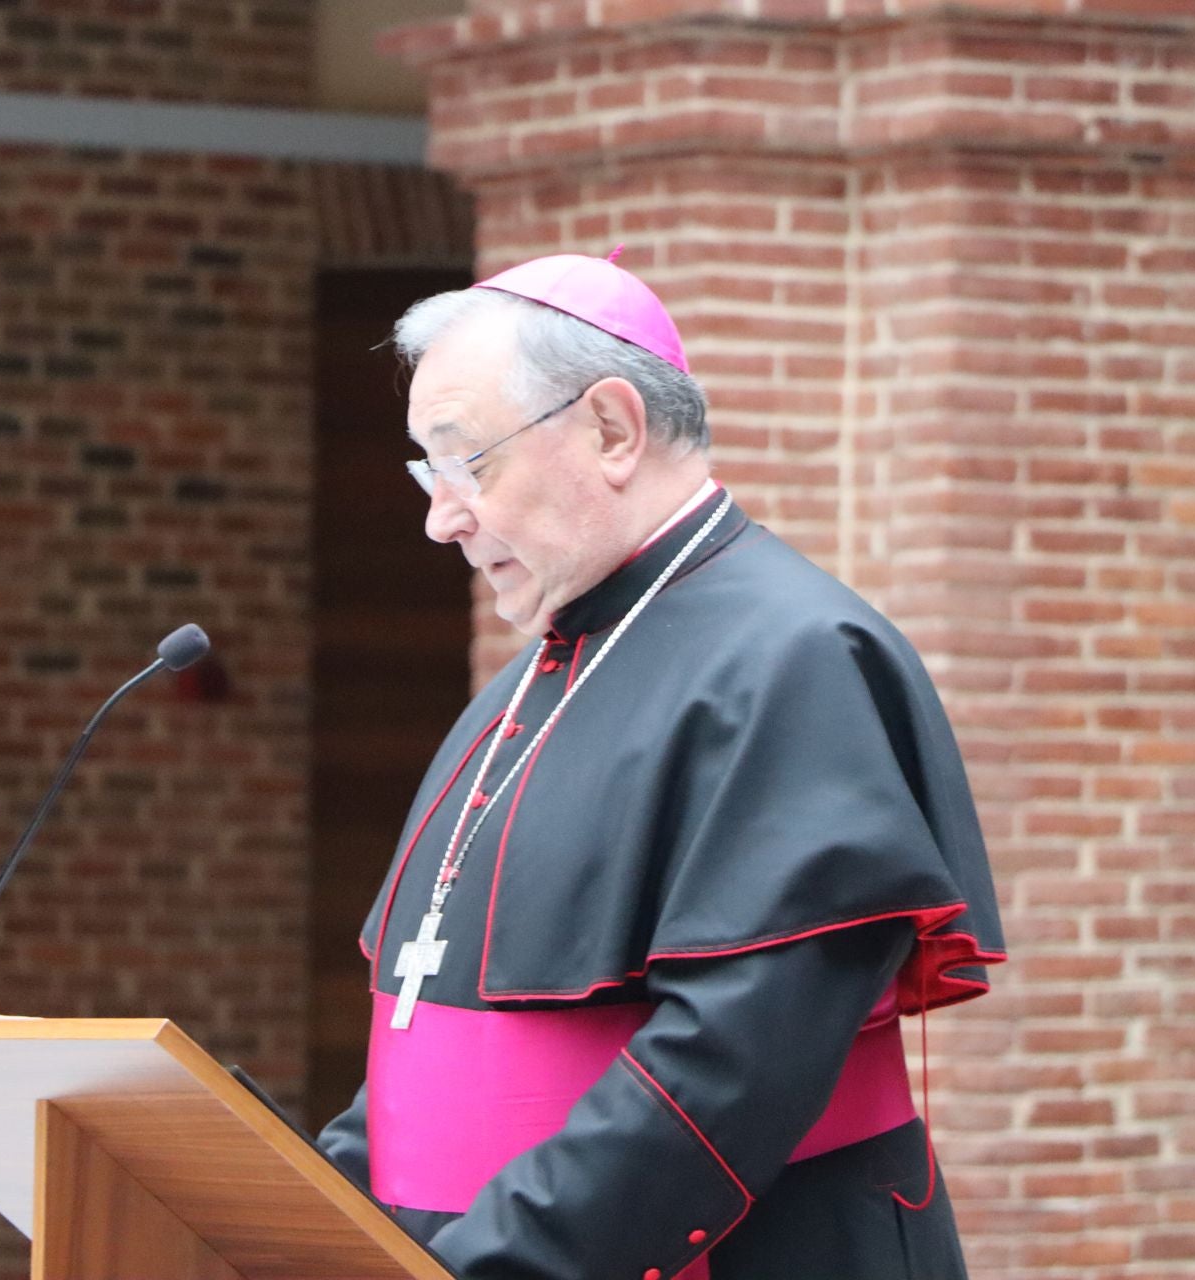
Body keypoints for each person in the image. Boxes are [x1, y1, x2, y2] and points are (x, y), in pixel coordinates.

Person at [317, 252, 1006, 1280]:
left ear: (611, 429)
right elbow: (429, 1030)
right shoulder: (526, 690)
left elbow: (734, 1061)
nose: (441, 516)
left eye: (469, 464)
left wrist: (494, 1264)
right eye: (428, 471)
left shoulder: (797, 659)